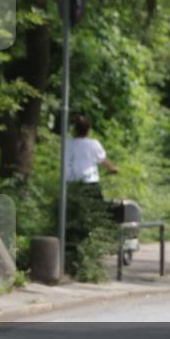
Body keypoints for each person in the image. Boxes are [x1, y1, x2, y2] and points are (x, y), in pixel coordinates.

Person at [63, 114, 118, 275]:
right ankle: (97, 242)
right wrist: (113, 168)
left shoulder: (67, 144)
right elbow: (103, 160)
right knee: (98, 214)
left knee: (72, 215)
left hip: (71, 184)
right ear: (89, 129)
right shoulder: (93, 144)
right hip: (89, 184)